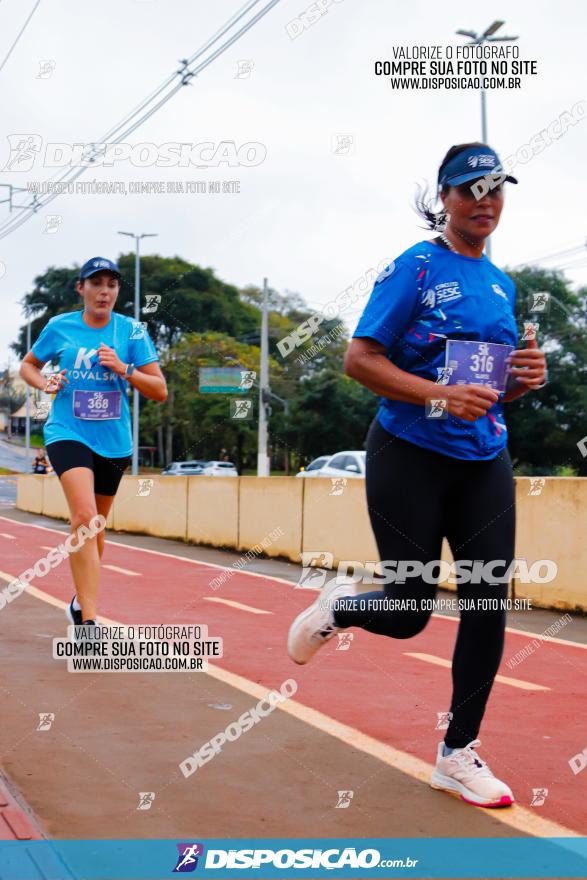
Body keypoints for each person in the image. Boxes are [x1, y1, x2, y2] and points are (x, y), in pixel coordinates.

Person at [288, 143, 547, 808]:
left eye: (495, 189)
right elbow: (358, 359)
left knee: (489, 601)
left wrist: (520, 384)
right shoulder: (414, 267)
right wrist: (436, 397)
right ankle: (340, 606)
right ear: (444, 199)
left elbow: (481, 389)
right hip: (408, 452)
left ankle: (456, 753)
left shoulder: (500, 284)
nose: (484, 201)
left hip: (483, 456)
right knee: (408, 614)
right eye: (470, 190)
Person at [20, 257, 167, 629]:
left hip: (114, 441)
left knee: (96, 527)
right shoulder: (60, 326)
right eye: (96, 283)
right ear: (80, 288)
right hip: (68, 431)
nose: (104, 291)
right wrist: (45, 383)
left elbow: (160, 391)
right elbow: (28, 365)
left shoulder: (131, 332)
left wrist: (125, 369)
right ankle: (88, 622)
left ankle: (79, 601)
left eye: (112, 285)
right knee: (84, 517)